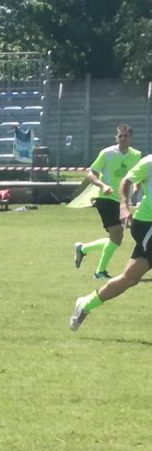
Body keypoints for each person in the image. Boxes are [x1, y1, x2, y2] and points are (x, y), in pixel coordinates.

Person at [71, 151, 152, 331]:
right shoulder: (148, 163)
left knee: (129, 278)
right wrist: (124, 205)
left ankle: (86, 303)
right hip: (147, 224)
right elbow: (126, 181)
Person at [74, 125, 141, 279]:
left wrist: (136, 190)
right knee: (117, 235)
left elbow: (136, 176)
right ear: (116, 137)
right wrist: (102, 185)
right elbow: (91, 173)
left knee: (115, 240)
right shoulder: (107, 153)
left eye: (126, 136)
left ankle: (83, 249)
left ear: (131, 138)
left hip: (122, 201)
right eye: (120, 136)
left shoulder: (136, 155)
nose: (123, 138)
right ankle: (99, 272)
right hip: (105, 198)